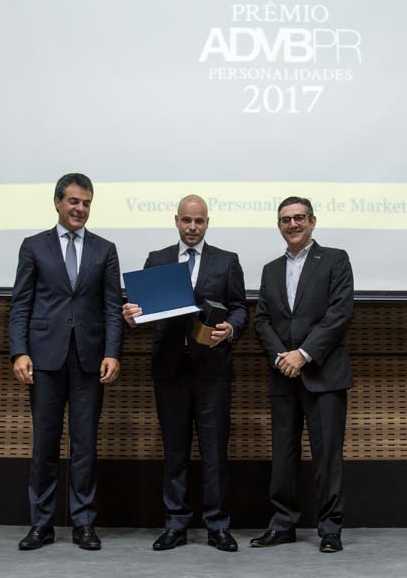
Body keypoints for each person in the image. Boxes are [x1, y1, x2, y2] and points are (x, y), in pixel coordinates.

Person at [122, 194, 247, 552]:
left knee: (214, 452)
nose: (193, 227)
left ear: (207, 223)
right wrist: (130, 316)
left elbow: (240, 307)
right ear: (176, 221)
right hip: (170, 369)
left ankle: (217, 525)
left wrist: (231, 328)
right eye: (187, 220)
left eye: (199, 221)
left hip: (213, 371)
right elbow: (142, 310)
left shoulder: (227, 261)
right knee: (174, 450)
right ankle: (175, 524)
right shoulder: (157, 259)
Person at [9, 173, 123, 551]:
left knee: (84, 445)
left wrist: (112, 352)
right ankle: (41, 524)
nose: (80, 209)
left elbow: (112, 307)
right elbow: (21, 304)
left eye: (86, 203)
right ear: (58, 202)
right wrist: (19, 351)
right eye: (74, 201)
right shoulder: (33, 246)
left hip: (89, 360)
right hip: (44, 358)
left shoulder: (105, 250)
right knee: (45, 444)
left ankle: (83, 523)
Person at [251, 196, 354, 553]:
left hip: (324, 374)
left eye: (299, 218)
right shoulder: (270, 269)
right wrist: (283, 357)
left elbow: (340, 313)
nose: (292, 224)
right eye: (285, 219)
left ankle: (330, 530)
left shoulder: (336, 259)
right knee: (283, 456)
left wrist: (304, 354)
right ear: (279, 225)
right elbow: (262, 319)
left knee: (327, 456)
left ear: (312, 221)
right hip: (283, 374)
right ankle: (282, 525)